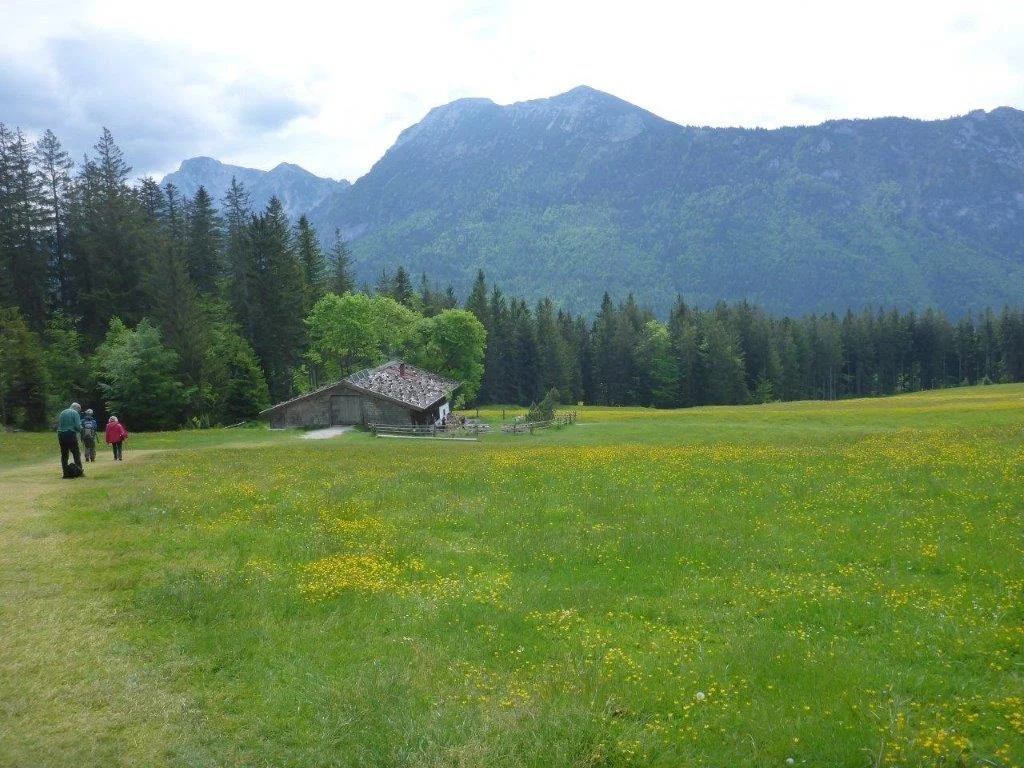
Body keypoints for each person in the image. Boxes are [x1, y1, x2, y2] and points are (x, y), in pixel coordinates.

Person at [56, 402, 84, 478]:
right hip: (70, 433)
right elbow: (77, 426)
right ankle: (80, 471)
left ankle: (65, 473)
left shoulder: (63, 412)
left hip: (61, 434)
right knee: (76, 453)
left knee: (64, 455)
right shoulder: (75, 413)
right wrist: (82, 430)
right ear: (77, 408)